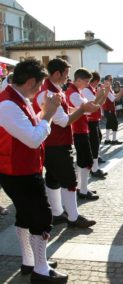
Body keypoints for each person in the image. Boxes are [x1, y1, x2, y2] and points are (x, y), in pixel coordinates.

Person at [0, 59, 68, 282]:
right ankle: (41, 269)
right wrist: (48, 115)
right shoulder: (8, 104)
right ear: (30, 82)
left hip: (19, 170)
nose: (40, 90)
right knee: (40, 217)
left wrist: (46, 110)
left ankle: (30, 261)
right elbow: (32, 138)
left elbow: (30, 125)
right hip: (20, 172)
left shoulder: (17, 98)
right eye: (39, 85)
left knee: (25, 215)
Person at [33, 58, 100, 227]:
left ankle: (56, 213)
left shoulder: (52, 89)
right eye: (65, 74)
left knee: (53, 178)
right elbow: (63, 121)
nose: (67, 78)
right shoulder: (48, 93)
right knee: (69, 181)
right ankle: (73, 217)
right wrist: (83, 109)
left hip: (50, 142)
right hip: (55, 144)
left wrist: (80, 109)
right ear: (56, 73)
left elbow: (63, 111)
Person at [66, 68, 100, 200]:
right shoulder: (73, 93)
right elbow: (88, 109)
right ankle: (83, 191)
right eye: (86, 81)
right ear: (78, 80)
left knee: (83, 161)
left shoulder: (77, 92)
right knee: (85, 160)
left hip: (81, 128)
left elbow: (89, 107)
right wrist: (95, 103)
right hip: (78, 129)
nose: (87, 84)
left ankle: (82, 188)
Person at [82, 71, 108, 177]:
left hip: (94, 120)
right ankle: (94, 168)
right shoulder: (86, 90)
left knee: (97, 140)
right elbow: (93, 105)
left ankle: (95, 162)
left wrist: (105, 93)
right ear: (96, 81)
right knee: (94, 143)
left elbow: (100, 103)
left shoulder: (91, 89)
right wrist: (101, 94)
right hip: (89, 120)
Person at [103, 75, 123, 144]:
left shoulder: (109, 88)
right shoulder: (106, 88)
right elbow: (115, 99)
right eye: (110, 79)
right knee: (115, 123)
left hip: (108, 109)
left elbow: (114, 96)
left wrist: (119, 93)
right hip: (109, 109)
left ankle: (107, 139)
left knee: (109, 123)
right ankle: (114, 140)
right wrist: (121, 93)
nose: (111, 81)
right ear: (106, 80)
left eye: (111, 79)